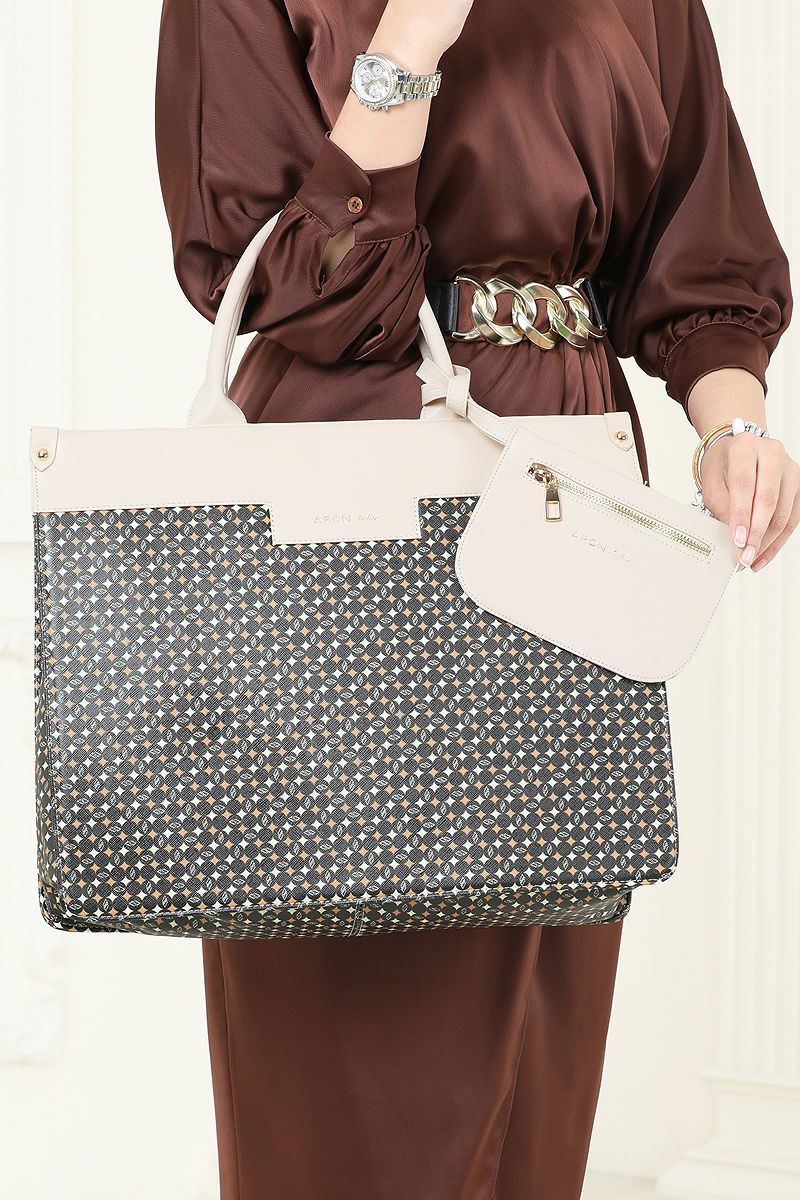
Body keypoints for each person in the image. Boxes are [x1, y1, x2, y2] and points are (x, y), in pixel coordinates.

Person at [154, 2, 796, 1197]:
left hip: (567, 514)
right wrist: (408, 42)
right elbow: (286, 283)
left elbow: (698, 243)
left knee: (537, 1048)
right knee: (356, 1066)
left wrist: (732, 424)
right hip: (344, 512)